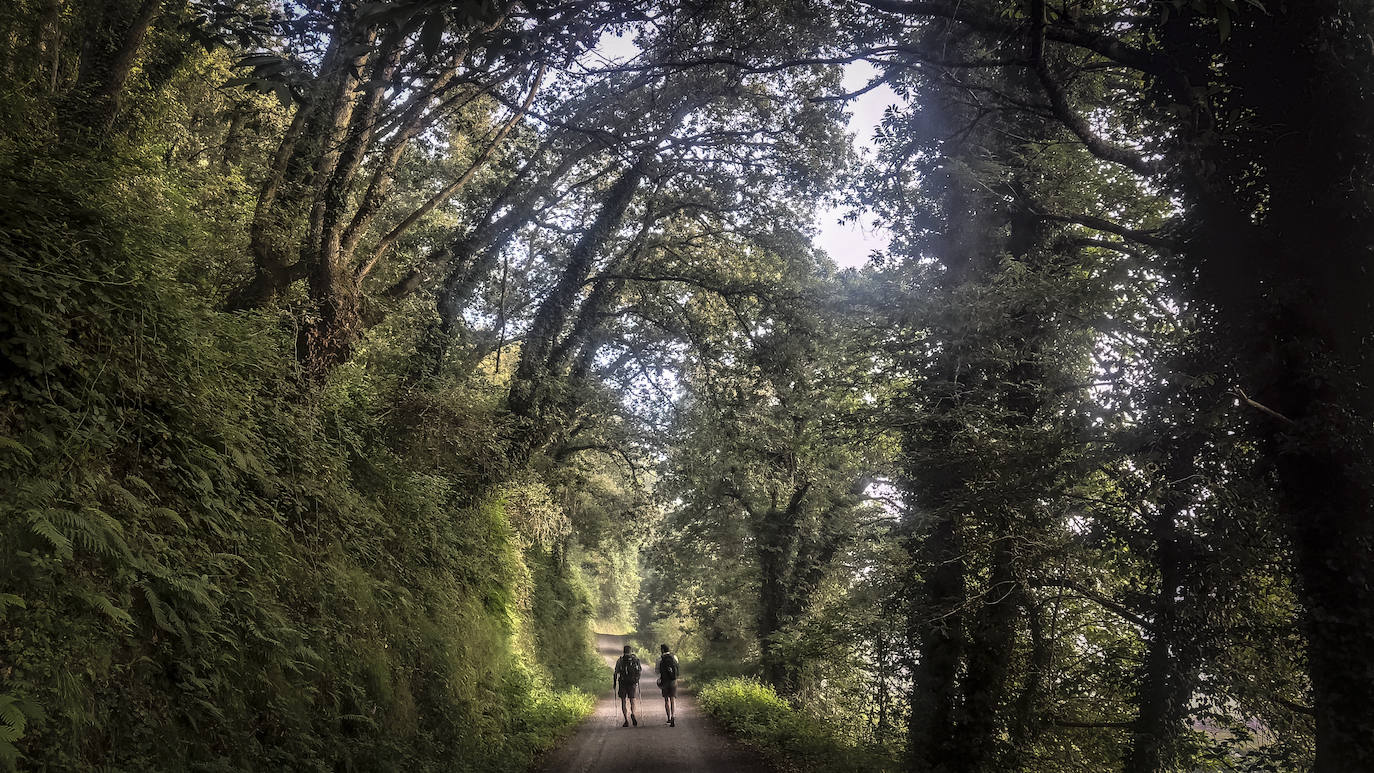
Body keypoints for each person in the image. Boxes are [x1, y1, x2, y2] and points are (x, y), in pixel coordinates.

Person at [612, 644, 641, 727]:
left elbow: (615, 673)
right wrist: (637, 680)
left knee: (623, 701)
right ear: (630, 651)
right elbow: (639, 670)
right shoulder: (635, 659)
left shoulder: (620, 660)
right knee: (633, 700)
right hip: (632, 683)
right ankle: (633, 713)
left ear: (623, 651)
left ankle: (626, 720)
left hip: (623, 683)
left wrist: (614, 683)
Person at [656, 643, 679, 727]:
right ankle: (673, 716)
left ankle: (669, 718)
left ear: (662, 650)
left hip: (664, 681)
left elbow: (657, 671)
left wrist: (660, 679)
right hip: (673, 681)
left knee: (666, 700)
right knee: (672, 699)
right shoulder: (674, 657)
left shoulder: (659, 659)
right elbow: (677, 668)